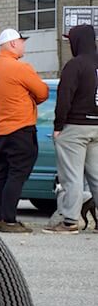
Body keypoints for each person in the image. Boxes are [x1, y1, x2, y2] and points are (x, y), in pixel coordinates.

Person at [0, 28, 49, 233]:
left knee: (2, 173)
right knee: (17, 174)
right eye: (22, 42)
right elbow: (43, 92)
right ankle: (9, 220)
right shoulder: (20, 68)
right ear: (12, 43)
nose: (24, 45)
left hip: (0, 130)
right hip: (21, 128)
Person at [45, 24, 98, 234]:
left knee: (72, 176)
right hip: (97, 126)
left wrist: (58, 125)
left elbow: (64, 97)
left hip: (76, 126)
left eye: (70, 40)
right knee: (97, 175)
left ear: (78, 41)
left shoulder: (75, 65)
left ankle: (70, 221)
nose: (69, 44)